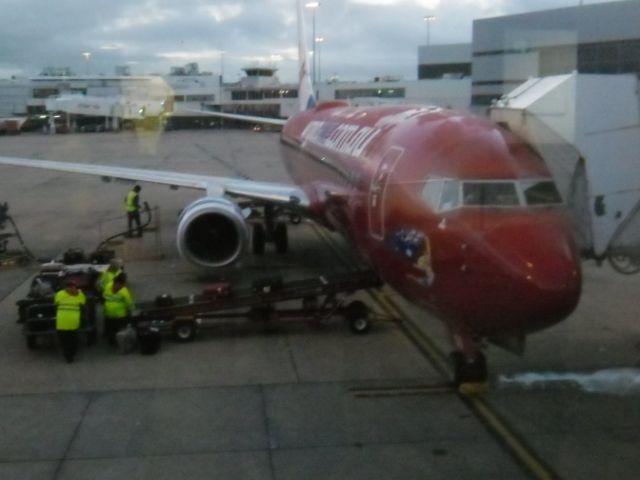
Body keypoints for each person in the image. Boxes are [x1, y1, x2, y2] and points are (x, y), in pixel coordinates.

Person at [54, 279, 86, 363]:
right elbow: (83, 304)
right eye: (70, 287)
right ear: (66, 288)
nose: (71, 289)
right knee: (66, 341)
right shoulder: (61, 294)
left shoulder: (79, 295)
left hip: (71, 323)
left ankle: (70, 354)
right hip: (63, 323)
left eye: (73, 287)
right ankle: (68, 356)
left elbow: (56, 303)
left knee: (72, 341)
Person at [103, 272, 135, 346]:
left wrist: (131, 311)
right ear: (117, 283)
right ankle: (113, 342)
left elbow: (129, 303)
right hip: (111, 315)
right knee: (112, 330)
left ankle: (118, 343)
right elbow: (129, 303)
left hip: (119, 315)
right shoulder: (109, 286)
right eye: (121, 284)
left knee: (116, 330)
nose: (122, 286)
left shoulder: (122, 290)